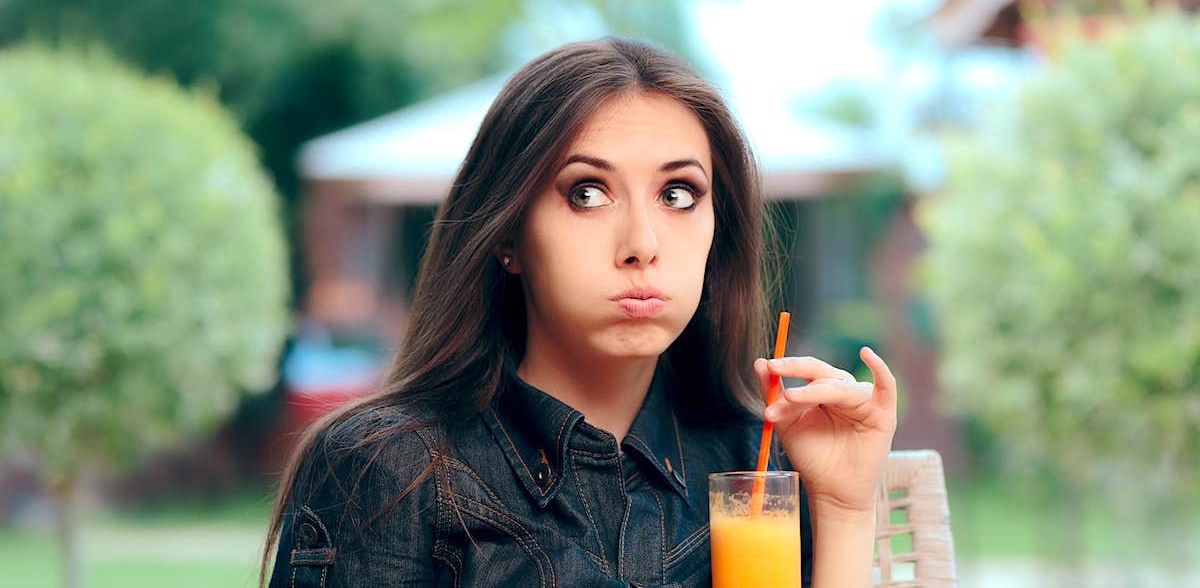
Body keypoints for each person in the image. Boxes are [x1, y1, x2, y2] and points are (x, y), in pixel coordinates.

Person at [262, 36, 897, 588]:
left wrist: (843, 508)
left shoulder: (757, 465)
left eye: (679, 194)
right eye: (587, 193)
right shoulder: (391, 467)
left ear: (715, 231)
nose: (643, 244)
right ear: (508, 234)